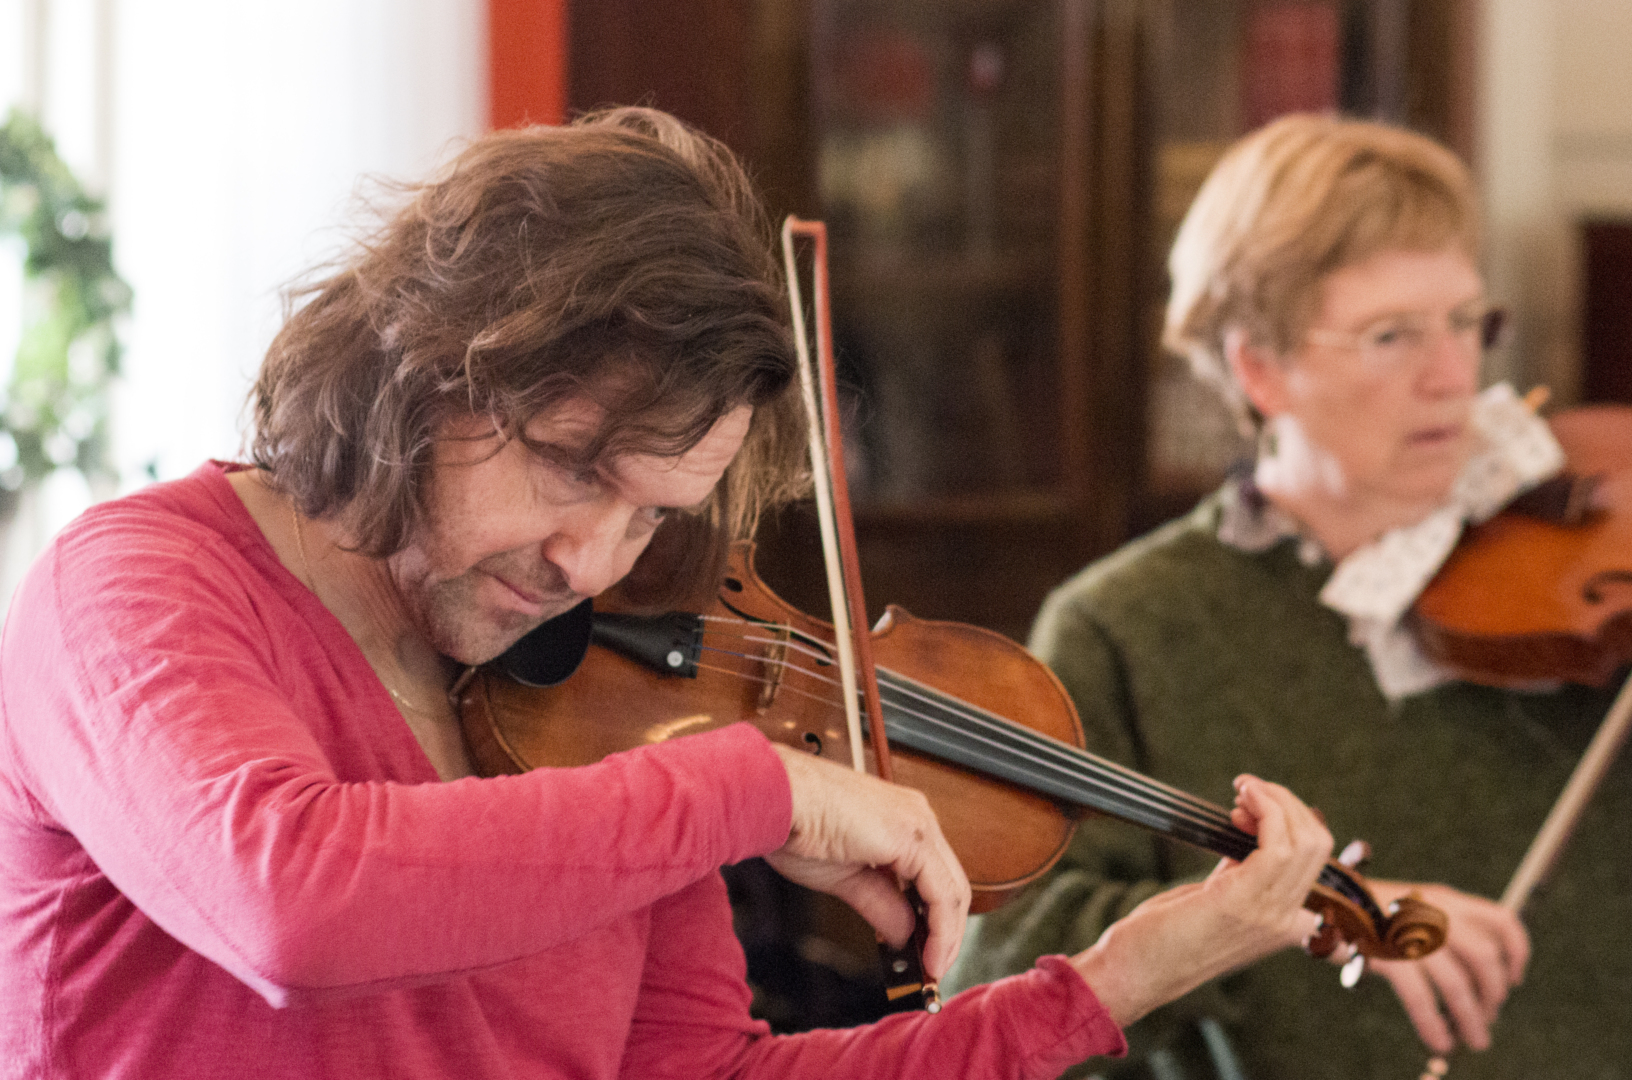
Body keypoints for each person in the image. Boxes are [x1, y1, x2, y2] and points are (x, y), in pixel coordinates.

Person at [0, 107, 1345, 1080]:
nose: (591, 564)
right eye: (572, 468)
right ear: (423, 372)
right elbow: (289, 904)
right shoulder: (130, 590)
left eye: (652, 511)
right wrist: (758, 785)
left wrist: (1110, 984)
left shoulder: (599, 712)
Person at [944, 113, 1632, 1080]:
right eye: (1391, 335)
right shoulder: (1126, 627)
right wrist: (1307, 912)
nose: (1454, 377)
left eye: (1466, 323)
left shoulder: (1620, 597)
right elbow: (1000, 980)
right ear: (1258, 367)